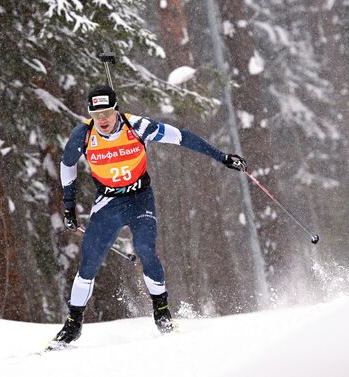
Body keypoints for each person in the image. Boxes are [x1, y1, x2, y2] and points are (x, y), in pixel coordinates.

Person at [51, 85, 246, 347]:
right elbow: (67, 165)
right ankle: (73, 325)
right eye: (97, 115)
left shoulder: (137, 126)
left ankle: (162, 312)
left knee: (145, 249)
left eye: (107, 112)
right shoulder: (83, 135)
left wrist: (222, 157)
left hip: (139, 198)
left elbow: (181, 137)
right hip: (108, 200)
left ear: (116, 109)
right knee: (89, 261)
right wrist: (69, 206)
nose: (103, 120)